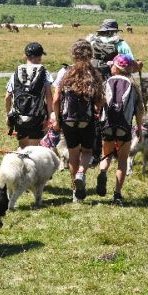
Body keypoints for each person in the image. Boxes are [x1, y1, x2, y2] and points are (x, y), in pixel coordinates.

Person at [52, 40, 105, 202]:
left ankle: (76, 193)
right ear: (90, 54)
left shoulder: (65, 72)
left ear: (73, 54)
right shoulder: (93, 73)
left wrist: (56, 119)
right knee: (87, 152)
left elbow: (55, 100)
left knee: (73, 154)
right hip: (86, 120)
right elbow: (99, 101)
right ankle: (82, 173)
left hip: (67, 120)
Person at [99, 54, 144, 203]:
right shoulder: (133, 85)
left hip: (107, 125)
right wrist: (139, 128)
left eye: (113, 65)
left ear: (116, 68)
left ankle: (103, 172)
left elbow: (100, 103)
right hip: (124, 127)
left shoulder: (107, 82)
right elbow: (139, 110)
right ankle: (117, 193)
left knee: (106, 155)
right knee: (123, 160)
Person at [5, 42, 54, 148]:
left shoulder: (17, 72)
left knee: (23, 147)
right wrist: (50, 116)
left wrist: (9, 114)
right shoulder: (44, 72)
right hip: (37, 116)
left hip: (19, 116)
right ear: (40, 56)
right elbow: (49, 97)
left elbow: (7, 96)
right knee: (34, 148)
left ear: (26, 55)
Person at [87, 18, 139, 83]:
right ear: (115, 31)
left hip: (94, 80)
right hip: (115, 82)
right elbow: (131, 64)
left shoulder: (91, 43)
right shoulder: (121, 44)